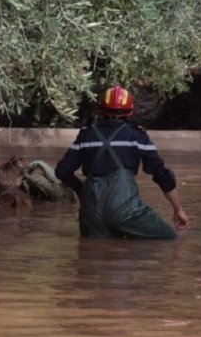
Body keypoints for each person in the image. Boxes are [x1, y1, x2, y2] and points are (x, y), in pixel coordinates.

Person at [55, 85, 189, 239]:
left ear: (101, 110)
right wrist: (178, 209)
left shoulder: (86, 136)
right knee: (171, 240)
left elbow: (62, 171)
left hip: (91, 214)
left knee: (91, 257)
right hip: (126, 211)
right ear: (130, 111)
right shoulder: (137, 136)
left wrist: (82, 191)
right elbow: (161, 174)